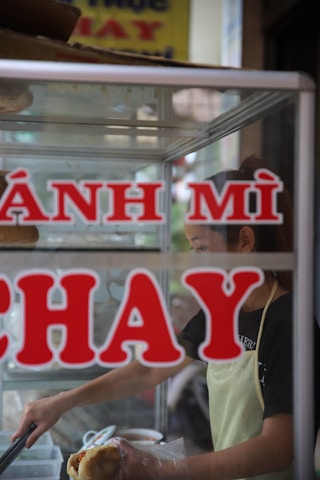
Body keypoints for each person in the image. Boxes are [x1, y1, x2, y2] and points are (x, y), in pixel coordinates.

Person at [12, 155, 320, 479]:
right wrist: (63, 401)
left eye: (201, 248)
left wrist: (165, 470)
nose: (192, 262)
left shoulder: (288, 324)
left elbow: (277, 448)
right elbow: (148, 369)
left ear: (244, 241)